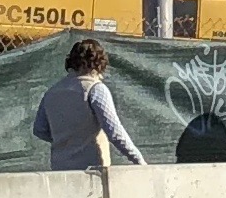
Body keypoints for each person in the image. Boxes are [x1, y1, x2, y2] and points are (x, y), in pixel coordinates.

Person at [32, 39, 149, 170]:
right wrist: (140, 162)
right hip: (92, 171)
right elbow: (115, 133)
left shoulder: (52, 92)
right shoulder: (95, 89)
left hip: (59, 169)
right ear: (99, 63)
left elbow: (39, 130)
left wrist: (66, 141)